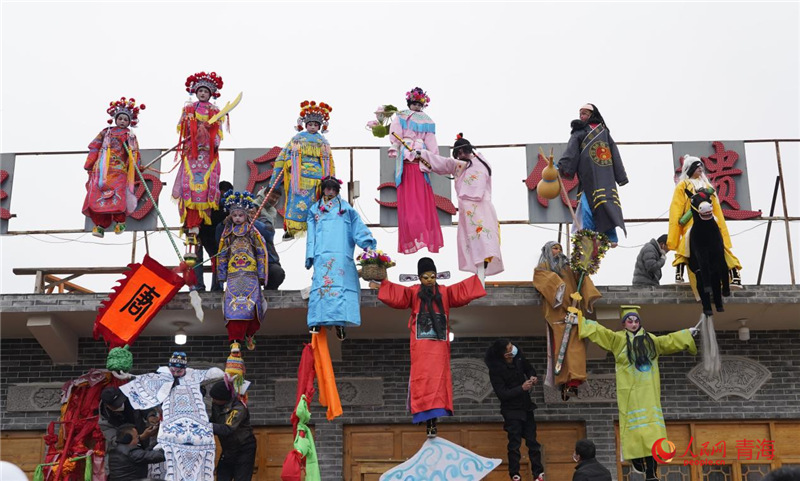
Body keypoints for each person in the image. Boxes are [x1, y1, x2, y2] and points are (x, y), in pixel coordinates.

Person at [578, 306, 698, 481]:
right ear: (624, 323)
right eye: (629, 321)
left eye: (636, 321)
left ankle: (651, 472)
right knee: (634, 431)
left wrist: (687, 333)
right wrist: (580, 322)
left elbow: (669, 341)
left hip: (648, 393)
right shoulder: (618, 340)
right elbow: (601, 332)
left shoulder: (651, 340)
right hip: (629, 393)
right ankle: (635, 460)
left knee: (652, 434)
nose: (633, 324)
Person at [370, 257, 486, 437]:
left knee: (438, 380)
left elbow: (464, 291)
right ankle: (428, 421)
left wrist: (481, 271)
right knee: (423, 379)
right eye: (425, 277)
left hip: (439, 346)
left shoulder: (445, 293)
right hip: (421, 345)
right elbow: (396, 295)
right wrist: (382, 282)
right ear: (419, 278)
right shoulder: (414, 293)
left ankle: (433, 421)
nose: (430, 280)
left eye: (433, 276)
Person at [119, 352, 225, 481]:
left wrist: (229, 369)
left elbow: (217, 373)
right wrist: (130, 376)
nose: (175, 372)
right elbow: (144, 380)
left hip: (195, 430)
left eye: (180, 369)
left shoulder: (193, 375)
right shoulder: (161, 376)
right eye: (173, 368)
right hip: (168, 429)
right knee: (164, 463)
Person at [418, 133, 503, 282]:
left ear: (470, 150)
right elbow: (442, 163)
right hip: (466, 210)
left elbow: (477, 184)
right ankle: (478, 279)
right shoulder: (459, 165)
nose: (462, 154)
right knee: (472, 245)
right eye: (458, 153)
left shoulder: (481, 163)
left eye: (464, 151)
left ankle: (481, 279)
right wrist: (422, 154)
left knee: (485, 243)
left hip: (482, 208)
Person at [306, 176, 377, 340]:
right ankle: (316, 321)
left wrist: (367, 245)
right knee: (320, 285)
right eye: (327, 188)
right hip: (322, 255)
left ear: (337, 191)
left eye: (333, 189)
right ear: (323, 189)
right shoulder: (314, 210)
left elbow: (358, 228)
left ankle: (341, 324)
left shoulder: (346, 209)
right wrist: (310, 255)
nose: (330, 192)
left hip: (341, 254)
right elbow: (311, 235)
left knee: (342, 289)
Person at [533, 241, 601, 400]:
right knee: (561, 351)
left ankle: (575, 382)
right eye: (555, 248)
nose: (559, 251)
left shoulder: (570, 267)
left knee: (576, 350)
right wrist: (559, 287)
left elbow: (581, 278)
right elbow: (543, 281)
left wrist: (583, 270)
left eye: (560, 248)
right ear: (548, 251)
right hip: (558, 315)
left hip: (574, 312)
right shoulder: (543, 267)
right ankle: (564, 383)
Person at [558, 103, 628, 246]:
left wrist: (621, 176)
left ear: (592, 114)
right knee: (586, 206)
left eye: (584, 113)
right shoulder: (579, 132)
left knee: (607, 205)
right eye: (580, 114)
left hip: (605, 176)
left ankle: (611, 236)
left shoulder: (604, 133)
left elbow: (615, 154)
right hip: (588, 176)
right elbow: (571, 152)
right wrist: (562, 167)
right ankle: (588, 235)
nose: (581, 116)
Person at [668, 155, 742, 287]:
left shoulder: (707, 186)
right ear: (690, 169)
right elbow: (677, 205)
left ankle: (734, 272)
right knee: (686, 242)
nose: (700, 169)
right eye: (697, 166)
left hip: (709, 220)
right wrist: (679, 219)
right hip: (691, 220)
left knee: (720, 245)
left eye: (701, 166)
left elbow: (716, 206)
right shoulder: (683, 185)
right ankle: (679, 273)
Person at [173, 70, 226, 250]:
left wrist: (210, 133)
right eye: (200, 91)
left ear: (211, 94)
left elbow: (218, 133)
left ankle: (198, 225)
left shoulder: (215, 110)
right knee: (189, 187)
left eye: (206, 91)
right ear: (195, 92)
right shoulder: (189, 108)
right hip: (192, 154)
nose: (203, 94)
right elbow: (183, 128)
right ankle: (190, 224)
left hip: (208, 156)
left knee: (204, 190)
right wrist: (194, 128)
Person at [388, 87, 444, 254]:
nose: (416, 106)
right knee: (409, 207)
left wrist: (432, 158)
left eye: (419, 104)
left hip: (420, 158)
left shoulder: (427, 121)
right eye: (414, 103)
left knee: (421, 202)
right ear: (409, 102)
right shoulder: (401, 116)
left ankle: (423, 231)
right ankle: (412, 232)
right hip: (405, 157)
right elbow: (395, 134)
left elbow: (431, 140)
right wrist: (395, 145)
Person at [269, 100, 335, 239]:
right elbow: (284, 156)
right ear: (305, 125)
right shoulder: (297, 139)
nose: (312, 127)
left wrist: (330, 181)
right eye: (310, 124)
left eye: (315, 125)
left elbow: (330, 163)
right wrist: (288, 167)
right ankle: (293, 229)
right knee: (296, 202)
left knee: (316, 204)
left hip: (318, 180)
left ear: (320, 126)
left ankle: (316, 229)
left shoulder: (323, 142)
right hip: (299, 177)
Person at [83, 97, 145, 238]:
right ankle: (100, 225)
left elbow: (135, 153)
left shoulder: (130, 136)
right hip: (102, 170)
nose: (122, 121)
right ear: (115, 119)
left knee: (119, 196)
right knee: (98, 195)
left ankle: (119, 221)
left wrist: (136, 167)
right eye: (120, 118)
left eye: (125, 119)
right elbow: (94, 146)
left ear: (130, 122)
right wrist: (90, 163)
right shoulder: (106, 132)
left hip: (119, 170)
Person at [484, 339, 545, 481]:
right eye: (510, 347)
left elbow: (529, 368)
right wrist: (521, 388)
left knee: (533, 441)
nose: (514, 348)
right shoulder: (496, 371)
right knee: (514, 443)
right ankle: (515, 474)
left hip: (526, 406)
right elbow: (502, 394)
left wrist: (532, 376)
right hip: (511, 410)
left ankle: (538, 473)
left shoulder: (518, 358)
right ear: (505, 354)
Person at [217, 190, 268, 352]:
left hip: (250, 273)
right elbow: (222, 253)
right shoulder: (227, 233)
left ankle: (250, 333)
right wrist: (221, 274)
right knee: (233, 307)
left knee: (252, 304)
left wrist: (261, 274)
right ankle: (235, 339)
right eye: (235, 215)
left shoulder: (253, 231)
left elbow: (261, 251)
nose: (238, 218)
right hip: (233, 275)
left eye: (241, 215)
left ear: (247, 215)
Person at [209, 381, 257, 481]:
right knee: (222, 477)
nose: (213, 401)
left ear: (224, 399)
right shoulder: (216, 405)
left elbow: (228, 428)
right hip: (228, 449)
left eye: (215, 398)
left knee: (241, 477)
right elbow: (213, 421)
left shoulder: (238, 408)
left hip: (244, 448)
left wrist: (205, 426)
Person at [193, 180, 233, 292]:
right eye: (221, 193)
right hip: (203, 235)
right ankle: (198, 286)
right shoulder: (207, 203)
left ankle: (217, 287)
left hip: (219, 239)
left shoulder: (229, 207)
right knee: (196, 259)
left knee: (219, 260)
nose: (222, 196)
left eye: (225, 193)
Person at [253, 184, 286, 290]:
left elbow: (269, 232)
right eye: (272, 196)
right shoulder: (252, 205)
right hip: (250, 255)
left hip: (268, 255)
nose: (274, 200)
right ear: (266, 193)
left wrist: (254, 222)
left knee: (277, 273)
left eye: (277, 198)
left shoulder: (272, 211)